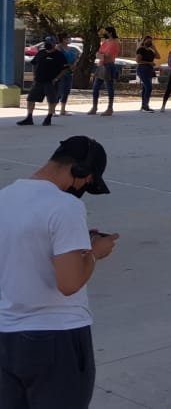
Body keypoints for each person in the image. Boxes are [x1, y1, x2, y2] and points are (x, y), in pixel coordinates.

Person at [0, 136, 115, 409]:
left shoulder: (4, 197)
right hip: (56, 338)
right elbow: (69, 283)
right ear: (80, 170)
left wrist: (74, 243)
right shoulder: (66, 206)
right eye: (87, 182)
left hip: (6, 335)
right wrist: (94, 253)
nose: (83, 188)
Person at [18, 37, 68, 127]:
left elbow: (65, 69)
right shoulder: (41, 53)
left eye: (49, 42)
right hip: (38, 81)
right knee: (30, 99)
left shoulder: (59, 55)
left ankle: (49, 117)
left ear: (54, 44)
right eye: (46, 42)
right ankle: (29, 117)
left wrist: (56, 79)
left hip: (51, 82)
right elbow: (34, 64)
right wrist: (34, 75)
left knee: (51, 100)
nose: (46, 44)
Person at [134, 36, 159, 113]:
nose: (149, 42)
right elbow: (138, 61)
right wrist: (149, 62)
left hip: (150, 70)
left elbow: (158, 56)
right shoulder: (141, 50)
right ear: (144, 41)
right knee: (149, 87)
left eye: (150, 41)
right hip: (142, 69)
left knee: (145, 88)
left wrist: (154, 48)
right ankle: (145, 106)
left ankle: (143, 106)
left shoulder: (151, 51)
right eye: (148, 41)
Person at [57, 34, 78, 116]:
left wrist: (74, 63)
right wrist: (68, 65)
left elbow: (74, 59)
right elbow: (58, 60)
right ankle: (52, 109)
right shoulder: (58, 48)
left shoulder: (70, 48)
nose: (69, 39)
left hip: (69, 71)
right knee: (59, 90)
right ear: (63, 39)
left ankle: (63, 110)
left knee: (66, 91)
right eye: (67, 38)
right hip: (61, 72)